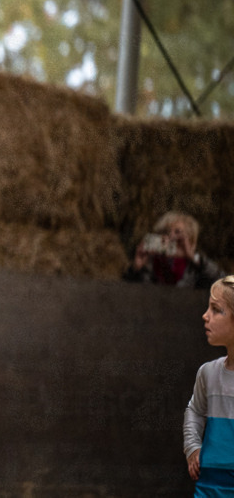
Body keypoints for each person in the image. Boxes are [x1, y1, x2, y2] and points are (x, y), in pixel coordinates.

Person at [184, 275, 234, 493]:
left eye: (216, 309)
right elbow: (194, 410)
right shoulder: (208, 373)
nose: (205, 316)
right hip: (209, 484)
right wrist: (192, 447)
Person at [123, 211, 220, 289]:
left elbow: (224, 283)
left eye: (178, 232)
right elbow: (125, 293)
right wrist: (135, 269)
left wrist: (194, 258)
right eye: (165, 232)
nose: (171, 237)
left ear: (191, 241)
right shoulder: (150, 266)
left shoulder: (195, 270)